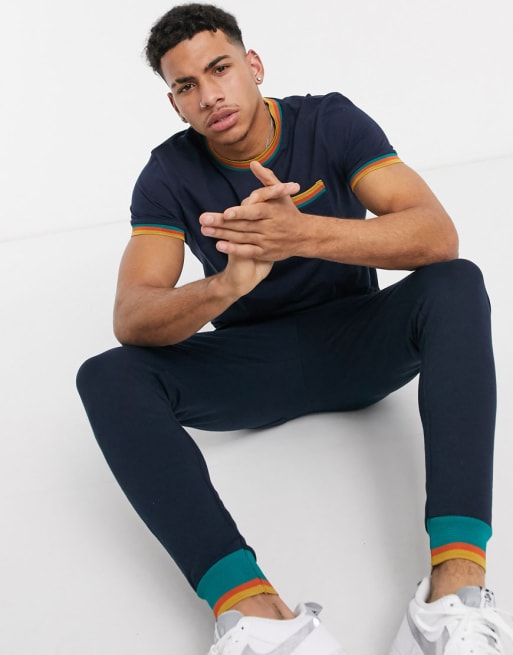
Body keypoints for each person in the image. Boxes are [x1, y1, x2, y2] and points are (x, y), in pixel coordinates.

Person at [76, 3, 513, 654]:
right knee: (105, 375)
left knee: (457, 282)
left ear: (253, 65)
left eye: (219, 69)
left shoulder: (329, 122)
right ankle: (255, 613)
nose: (209, 95)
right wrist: (225, 285)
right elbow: (132, 316)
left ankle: (454, 593)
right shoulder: (167, 174)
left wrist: (300, 233)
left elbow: (435, 235)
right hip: (255, 365)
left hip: (358, 345)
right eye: (186, 85)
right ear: (174, 103)